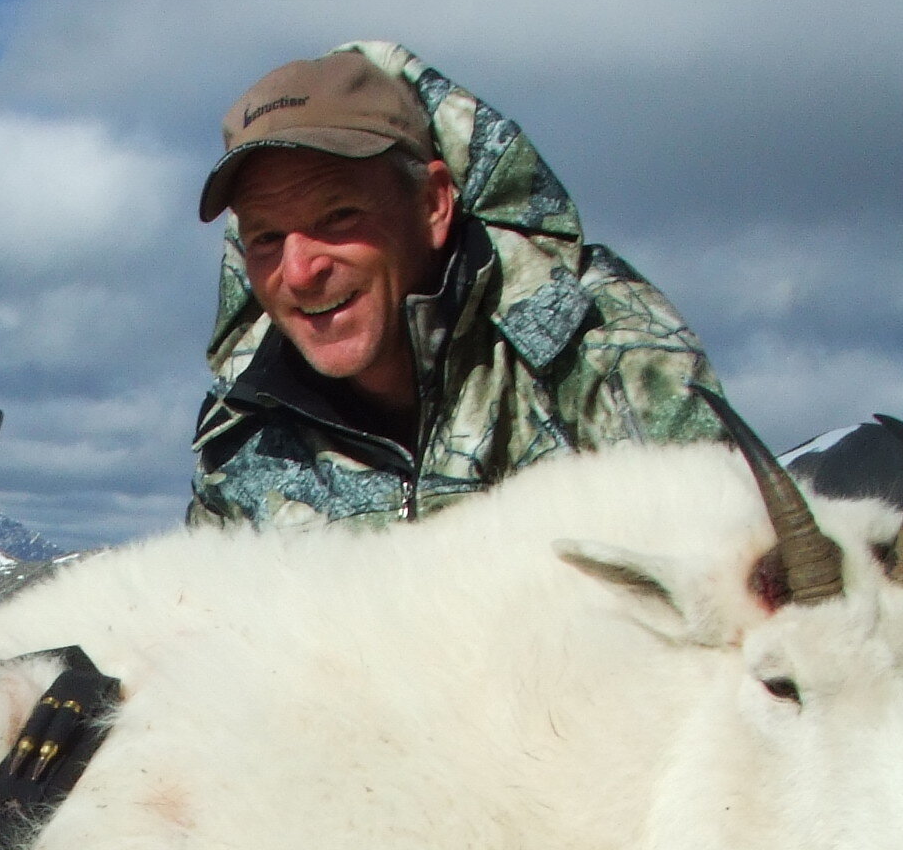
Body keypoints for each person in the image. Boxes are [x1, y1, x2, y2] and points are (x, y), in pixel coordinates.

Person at [190, 42, 733, 527]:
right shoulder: (238, 436)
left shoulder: (601, 348)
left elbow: (728, 586)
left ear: (432, 204)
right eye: (266, 237)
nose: (302, 271)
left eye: (339, 217)